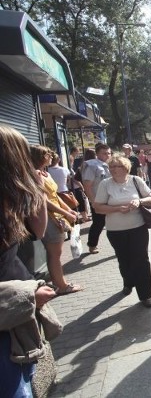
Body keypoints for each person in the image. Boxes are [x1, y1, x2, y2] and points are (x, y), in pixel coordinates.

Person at [0, 125, 61, 397]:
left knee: (25, 374)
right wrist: (23, 294)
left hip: (15, 306)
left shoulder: (12, 197)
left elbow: (35, 230)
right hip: (9, 305)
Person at [92, 155, 151, 308]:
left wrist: (138, 201)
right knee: (124, 260)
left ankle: (146, 294)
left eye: (117, 166)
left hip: (138, 228)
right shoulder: (105, 184)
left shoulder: (136, 180)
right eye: (111, 167)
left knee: (141, 260)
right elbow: (98, 207)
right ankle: (128, 282)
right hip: (115, 230)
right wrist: (116, 209)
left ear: (126, 168)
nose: (113, 170)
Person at [30, 145, 82, 295]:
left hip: (55, 216)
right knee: (54, 254)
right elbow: (44, 201)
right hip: (48, 217)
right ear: (40, 157)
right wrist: (65, 212)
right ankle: (61, 285)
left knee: (56, 253)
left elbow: (55, 195)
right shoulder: (35, 175)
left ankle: (60, 283)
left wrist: (68, 210)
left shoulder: (45, 173)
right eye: (47, 154)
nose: (51, 156)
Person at [82, 143, 112, 254]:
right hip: (99, 200)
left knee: (114, 222)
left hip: (111, 200)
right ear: (97, 154)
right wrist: (93, 201)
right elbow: (87, 186)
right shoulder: (92, 165)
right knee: (99, 223)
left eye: (109, 153)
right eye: (104, 153)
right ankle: (92, 244)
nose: (107, 155)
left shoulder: (109, 164)